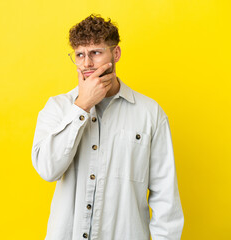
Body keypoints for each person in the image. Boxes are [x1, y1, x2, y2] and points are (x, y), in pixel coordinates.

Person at [31, 14, 184, 240]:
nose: (86, 64)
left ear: (116, 53)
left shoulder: (150, 113)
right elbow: (47, 170)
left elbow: (165, 198)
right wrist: (82, 106)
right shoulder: (57, 108)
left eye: (96, 52)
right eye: (80, 55)